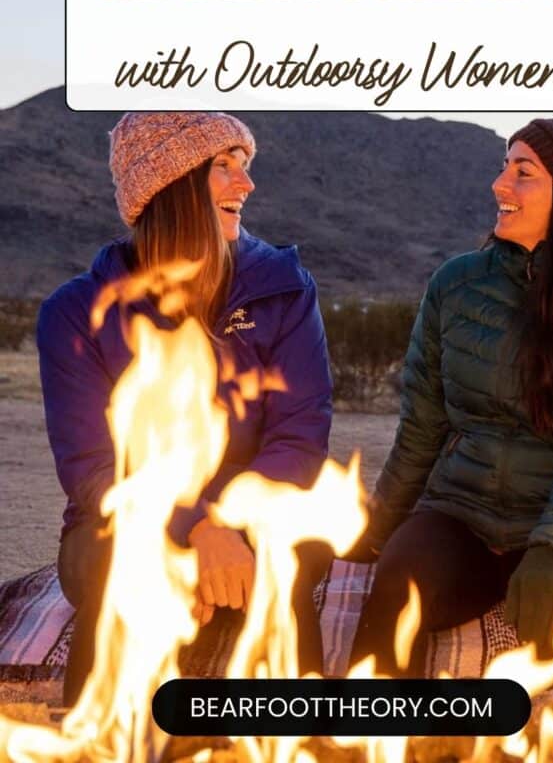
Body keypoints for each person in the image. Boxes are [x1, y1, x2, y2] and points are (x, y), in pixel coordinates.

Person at [37, 111, 333, 705]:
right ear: (167, 184)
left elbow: (300, 437)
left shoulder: (282, 288)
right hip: (125, 523)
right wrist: (189, 528)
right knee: (119, 563)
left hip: (253, 520)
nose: (245, 185)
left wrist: (223, 528)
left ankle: (303, 735)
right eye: (223, 167)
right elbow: (93, 468)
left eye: (244, 168)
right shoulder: (77, 312)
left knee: (297, 554)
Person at [349, 118, 553, 675]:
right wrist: (378, 529)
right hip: (459, 515)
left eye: (524, 172)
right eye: (504, 165)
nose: (500, 184)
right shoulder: (456, 284)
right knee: (391, 599)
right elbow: (422, 426)